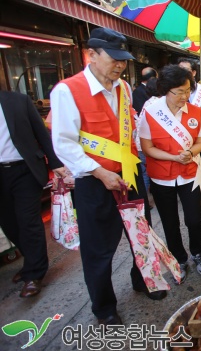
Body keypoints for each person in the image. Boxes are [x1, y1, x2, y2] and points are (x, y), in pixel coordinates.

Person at [50, 27, 165, 327]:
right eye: (113, 58)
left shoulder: (124, 89)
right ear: (91, 55)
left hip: (129, 173)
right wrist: (100, 173)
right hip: (94, 180)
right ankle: (104, 308)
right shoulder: (67, 90)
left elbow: (129, 130)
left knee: (141, 234)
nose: (119, 65)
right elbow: (63, 142)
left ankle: (143, 280)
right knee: (98, 249)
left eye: (123, 60)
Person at [138, 65, 201, 281]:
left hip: (189, 173)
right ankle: (178, 257)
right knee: (169, 221)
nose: (184, 96)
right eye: (178, 92)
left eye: (187, 90)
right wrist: (173, 157)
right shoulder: (150, 112)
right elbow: (147, 148)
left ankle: (197, 253)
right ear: (165, 90)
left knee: (194, 218)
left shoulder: (195, 111)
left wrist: (190, 152)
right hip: (161, 176)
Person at [0, 92, 66, 298]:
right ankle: (30, 261)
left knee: (28, 220)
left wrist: (56, 163)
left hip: (24, 170)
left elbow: (40, 132)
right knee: (8, 222)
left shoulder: (17, 100)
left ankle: (34, 274)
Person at [179, 58, 201, 202]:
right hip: (182, 135)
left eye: (186, 70)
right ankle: (188, 191)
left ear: (193, 72)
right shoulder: (174, 91)